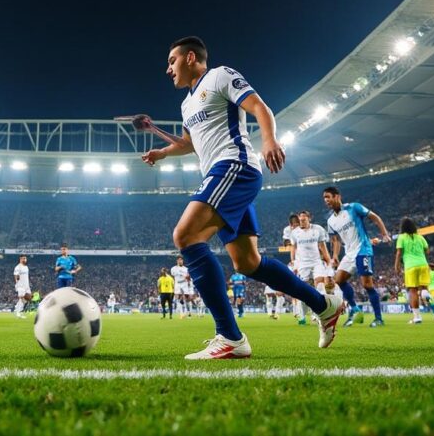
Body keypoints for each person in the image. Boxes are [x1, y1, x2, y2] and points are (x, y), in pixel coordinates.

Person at [141, 37, 343, 358]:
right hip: (219, 175)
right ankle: (324, 305)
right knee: (248, 263)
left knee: (186, 235)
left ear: (190, 57)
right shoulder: (187, 104)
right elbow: (189, 143)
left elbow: (258, 106)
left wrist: (270, 140)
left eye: (172, 61)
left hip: (234, 166)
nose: (168, 69)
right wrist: (161, 152)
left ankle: (230, 337)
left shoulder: (219, 76)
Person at [323, 186, 391, 328]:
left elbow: (375, 217)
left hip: (363, 249)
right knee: (339, 280)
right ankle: (355, 310)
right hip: (349, 253)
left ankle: (379, 318)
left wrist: (384, 233)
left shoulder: (354, 207)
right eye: (324, 198)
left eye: (328, 197)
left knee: (367, 284)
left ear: (337, 196)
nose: (326, 200)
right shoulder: (330, 221)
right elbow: (336, 240)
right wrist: (335, 256)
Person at [290, 210, 335, 324]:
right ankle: (302, 315)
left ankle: (318, 314)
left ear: (309, 218)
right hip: (303, 264)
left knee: (319, 285)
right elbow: (293, 248)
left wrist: (329, 261)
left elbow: (322, 247)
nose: (302, 222)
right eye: (300, 220)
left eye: (304, 220)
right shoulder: (295, 233)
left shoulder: (318, 229)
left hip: (316, 262)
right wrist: (293, 261)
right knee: (304, 290)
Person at [394, 217, 430, 324]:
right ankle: (424, 294)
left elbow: (399, 252)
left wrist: (397, 265)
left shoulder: (401, 237)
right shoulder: (420, 237)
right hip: (423, 264)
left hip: (410, 266)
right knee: (423, 287)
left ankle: (417, 317)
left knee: (413, 291)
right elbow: (427, 251)